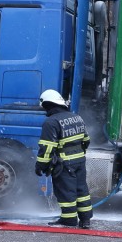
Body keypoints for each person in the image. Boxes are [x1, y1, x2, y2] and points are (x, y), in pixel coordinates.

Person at [35, 89, 93, 229]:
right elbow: (86, 140)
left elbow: (47, 148)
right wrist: (78, 154)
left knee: (66, 191)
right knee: (81, 190)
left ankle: (69, 220)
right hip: (79, 160)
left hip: (64, 163)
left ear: (48, 105)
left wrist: (41, 165)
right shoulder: (76, 117)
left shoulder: (51, 122)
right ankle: (85, 220)